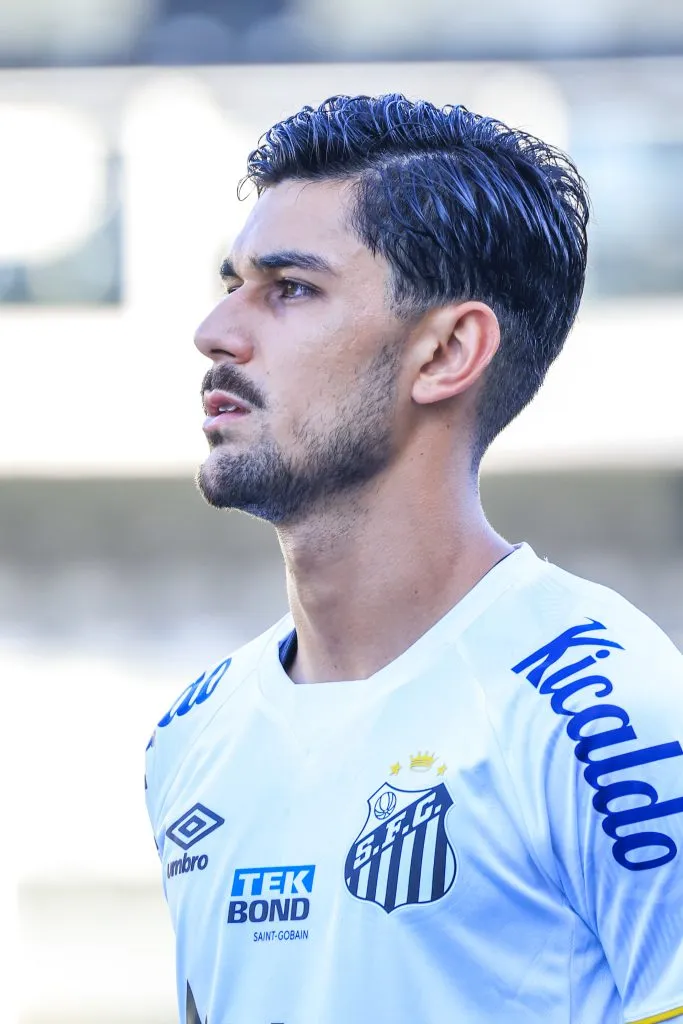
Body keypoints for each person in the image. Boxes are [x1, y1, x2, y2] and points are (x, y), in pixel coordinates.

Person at [144, 94, 683, 1024]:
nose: (216, 331)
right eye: (228, 282)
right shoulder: (191, 735)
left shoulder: (610, 714)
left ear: (445, 352)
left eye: (290, 288)